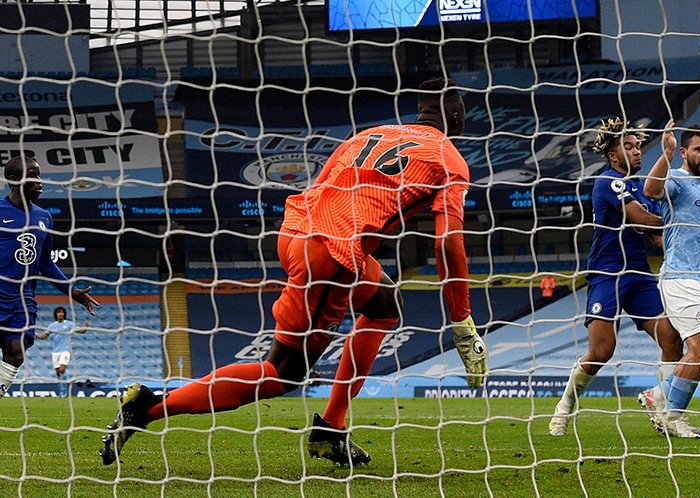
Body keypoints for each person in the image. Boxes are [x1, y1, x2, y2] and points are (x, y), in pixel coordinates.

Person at [101, 77, 489, 466]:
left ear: (420, 111)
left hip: (295, 233)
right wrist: (461, 321)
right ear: (455, 117)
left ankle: (332, 428)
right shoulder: (448, 158)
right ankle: (147, 408)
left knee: (386, 303)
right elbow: (447, 242)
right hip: (331, 254)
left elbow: (318, 189)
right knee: (282, 373)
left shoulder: (369, 135)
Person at [548, 117, 680, 437]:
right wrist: (683, 222)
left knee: (671, 339)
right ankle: (565, 406)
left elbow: (654, 237)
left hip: (639, 274)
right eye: (630, 147)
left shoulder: (643, 187)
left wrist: (688, 245)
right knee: (602, 351)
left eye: (639, 147)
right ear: (613, 155)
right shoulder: (608, 182)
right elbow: (641, 219)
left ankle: (663, 409)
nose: (637, 152)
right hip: (607, 274)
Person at [642, 125, 700, 439]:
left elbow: (691, 224)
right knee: (698, 349)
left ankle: (659, 393)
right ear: (684, 153)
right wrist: (665, 153)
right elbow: (651, 192)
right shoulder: (678, 179)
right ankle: (672, 415)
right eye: (698, 150)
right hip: (680, 279)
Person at [0, 157, 98, 399]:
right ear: (13, 180)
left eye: (40, 176)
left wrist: (70, 290)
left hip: (21, 298)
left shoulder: (44, 217)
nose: (40, 182)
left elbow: (45, 261)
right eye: (33, 175)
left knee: (17, 351)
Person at [35, 306, 89, 396]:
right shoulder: (52, 325)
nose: (60, 314)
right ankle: (61, 390)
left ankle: (65, 391)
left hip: (65, 350)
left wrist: (85, 327)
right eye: (58, 312)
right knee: (58, 372)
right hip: (55, 352)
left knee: (62, 369)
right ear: (56, 314)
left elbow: (81, 331)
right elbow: (44, 336)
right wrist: (34, 333)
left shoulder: (69, 324)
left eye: (62, 312)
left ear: (64, 314)